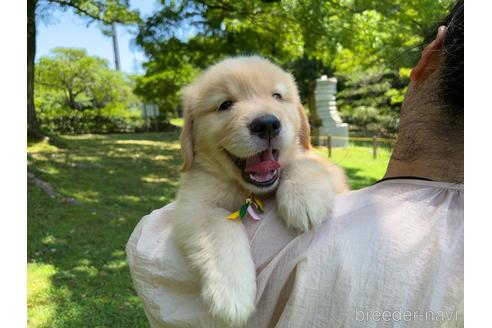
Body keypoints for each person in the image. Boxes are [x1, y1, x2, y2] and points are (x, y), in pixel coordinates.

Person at [126, 1, 463, 327]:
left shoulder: (154, 237)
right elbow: (198, 211)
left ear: (301, 121)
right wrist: (221, 252)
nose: (265, 118)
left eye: (277, 96)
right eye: (225, 103)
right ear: (190, 134)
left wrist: (301, 171)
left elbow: (323, 174)